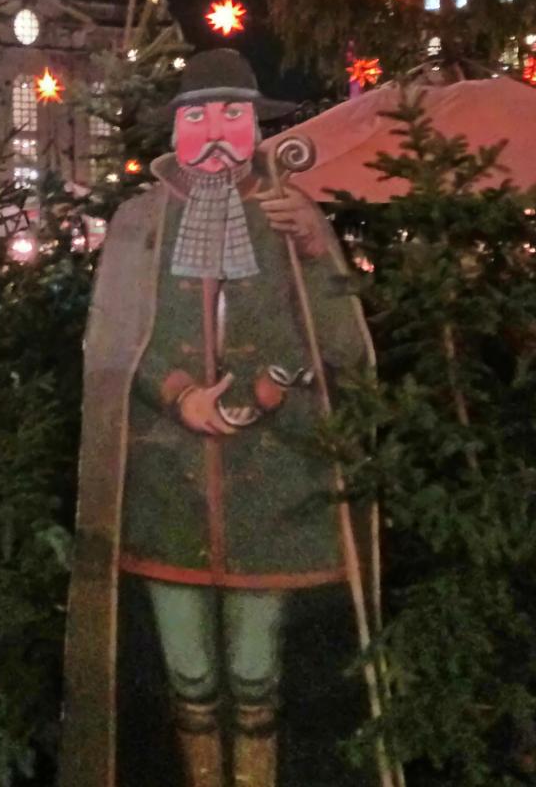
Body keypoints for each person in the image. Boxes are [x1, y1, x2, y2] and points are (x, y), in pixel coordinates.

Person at [61, 50, 383, 787]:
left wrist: (313, 244)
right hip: (164, 495)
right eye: (199, 115)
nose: (216, 130)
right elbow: (112, 343)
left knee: (256, 671)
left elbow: (338, 346)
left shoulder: (289, 216)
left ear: (254, 128)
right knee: (191, 677)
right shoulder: (140, 222)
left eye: (233, 115)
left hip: (271, 498)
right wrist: (179, 394)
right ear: (176, 128)